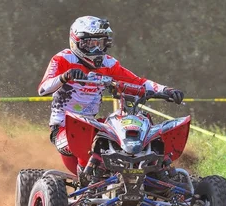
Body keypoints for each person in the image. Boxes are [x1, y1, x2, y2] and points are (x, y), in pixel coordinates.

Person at [38, 15, 184, 181]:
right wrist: (65, 76)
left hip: (92, 124)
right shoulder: (62, 59)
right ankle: (90, 177)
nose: (96, 49)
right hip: (64, 127)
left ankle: (156, 172)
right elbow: (43, 89)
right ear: (76, 42)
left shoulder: (108, 63)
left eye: (99, 44)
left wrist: (167, 90)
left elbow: (138, 82)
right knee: (92, 140)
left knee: (128, 128)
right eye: (90, 44)